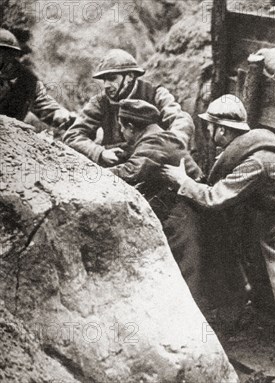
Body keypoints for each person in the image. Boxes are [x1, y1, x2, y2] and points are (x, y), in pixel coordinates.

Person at [162, 94, 275, 383]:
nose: (209, 135)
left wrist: (183, 182)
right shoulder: (248, 153)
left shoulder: (255, 163)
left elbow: (214, 197)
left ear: (222, 130)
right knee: (271, 281)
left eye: (211, 128)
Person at [108, 99, 206, 304]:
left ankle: (186, 317)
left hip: (185, 207)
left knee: (184, 264)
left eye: (122, 128)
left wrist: (88, 172)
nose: (123, 134)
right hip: (185, 203)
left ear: (131, 127)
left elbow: (131, 172)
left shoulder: (155, 141)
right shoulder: (159, 137)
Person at [63, 48, 193, 167]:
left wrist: (169, 144)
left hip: (155, 164)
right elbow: (73, 135)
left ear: (130, 76)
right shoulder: (100, 102)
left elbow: (181, 119)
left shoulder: (155, 94)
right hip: (119, 170)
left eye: (112, 78)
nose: (107, 85)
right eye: (104, 80)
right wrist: (100, 153)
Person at [0, 28, 75, 130]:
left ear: (11, 55)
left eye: (4, 53)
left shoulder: (26, 81)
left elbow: (48, 108)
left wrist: (76, 122)